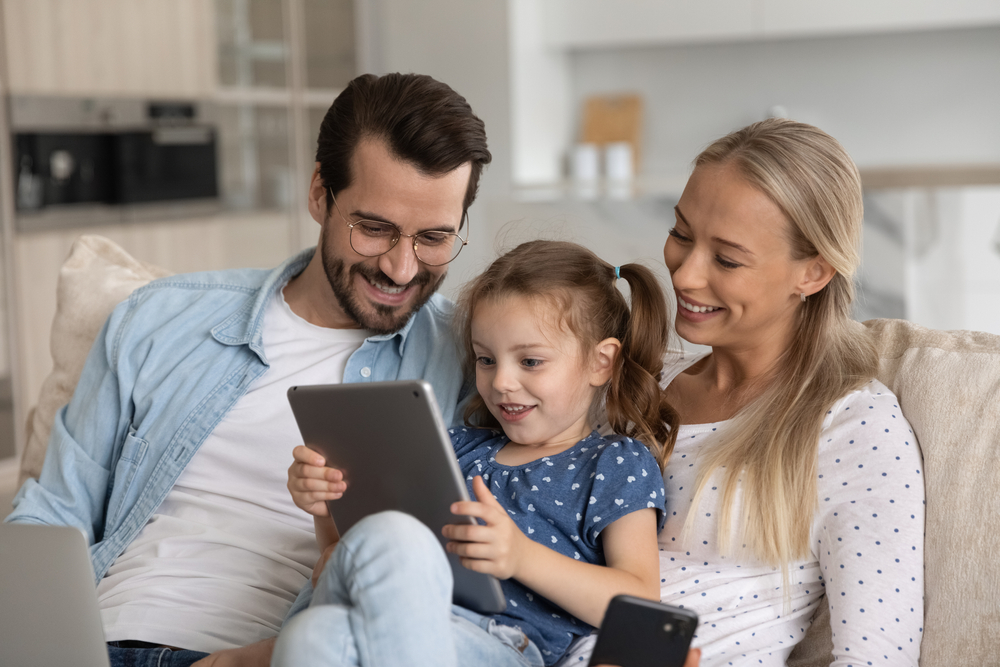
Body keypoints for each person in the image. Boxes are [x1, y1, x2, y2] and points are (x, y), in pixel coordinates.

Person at [4, 72, 491, 667]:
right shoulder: (157, 320)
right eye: (374, 228)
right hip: (99, 642)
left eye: (434, 238)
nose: (400, 266)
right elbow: (52, 517)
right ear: (320, 192)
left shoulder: (476, 361)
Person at [278, 240, 676, 667]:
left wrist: (521, 557)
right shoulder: (454, 445)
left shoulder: (614, 462)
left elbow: (639, 600)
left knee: (382, 553)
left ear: (602, 362)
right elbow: (347, 556)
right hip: (383, 623)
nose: (501, 381)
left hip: (494, 644)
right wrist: (326, 506)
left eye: (530, 362)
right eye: (486, 359)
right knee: (314, 631)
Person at [651, 119, 924, 666]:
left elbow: (874, 658)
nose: (684, 275)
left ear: (814, 273)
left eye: (727, 259)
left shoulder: (853, 426)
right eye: (682, 234)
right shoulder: (642, 388)